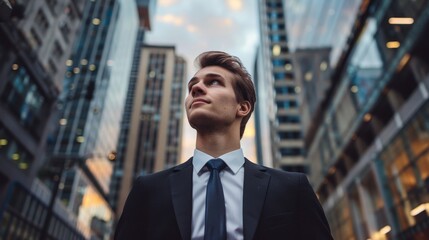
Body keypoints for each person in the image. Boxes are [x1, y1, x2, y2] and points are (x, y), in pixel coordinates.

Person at [114, 51, 333, 240]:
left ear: (243, 107)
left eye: (213, 82)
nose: (196, 89)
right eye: (192, 86)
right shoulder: (149, 190)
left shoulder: (292, 189)